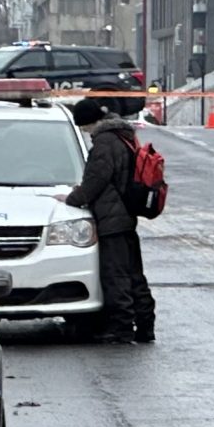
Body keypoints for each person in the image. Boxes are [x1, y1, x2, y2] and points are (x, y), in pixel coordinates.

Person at [64, 97, 154, 343]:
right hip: (126, 214)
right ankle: (146, 325)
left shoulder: (104, 143)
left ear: (89, 122)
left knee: (115, 274)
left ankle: (122, 328)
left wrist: (72, 199)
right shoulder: (123, 135)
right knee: (134, 273)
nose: (83, 132)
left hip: (111, 218)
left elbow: (96, 180)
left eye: (83, 127)